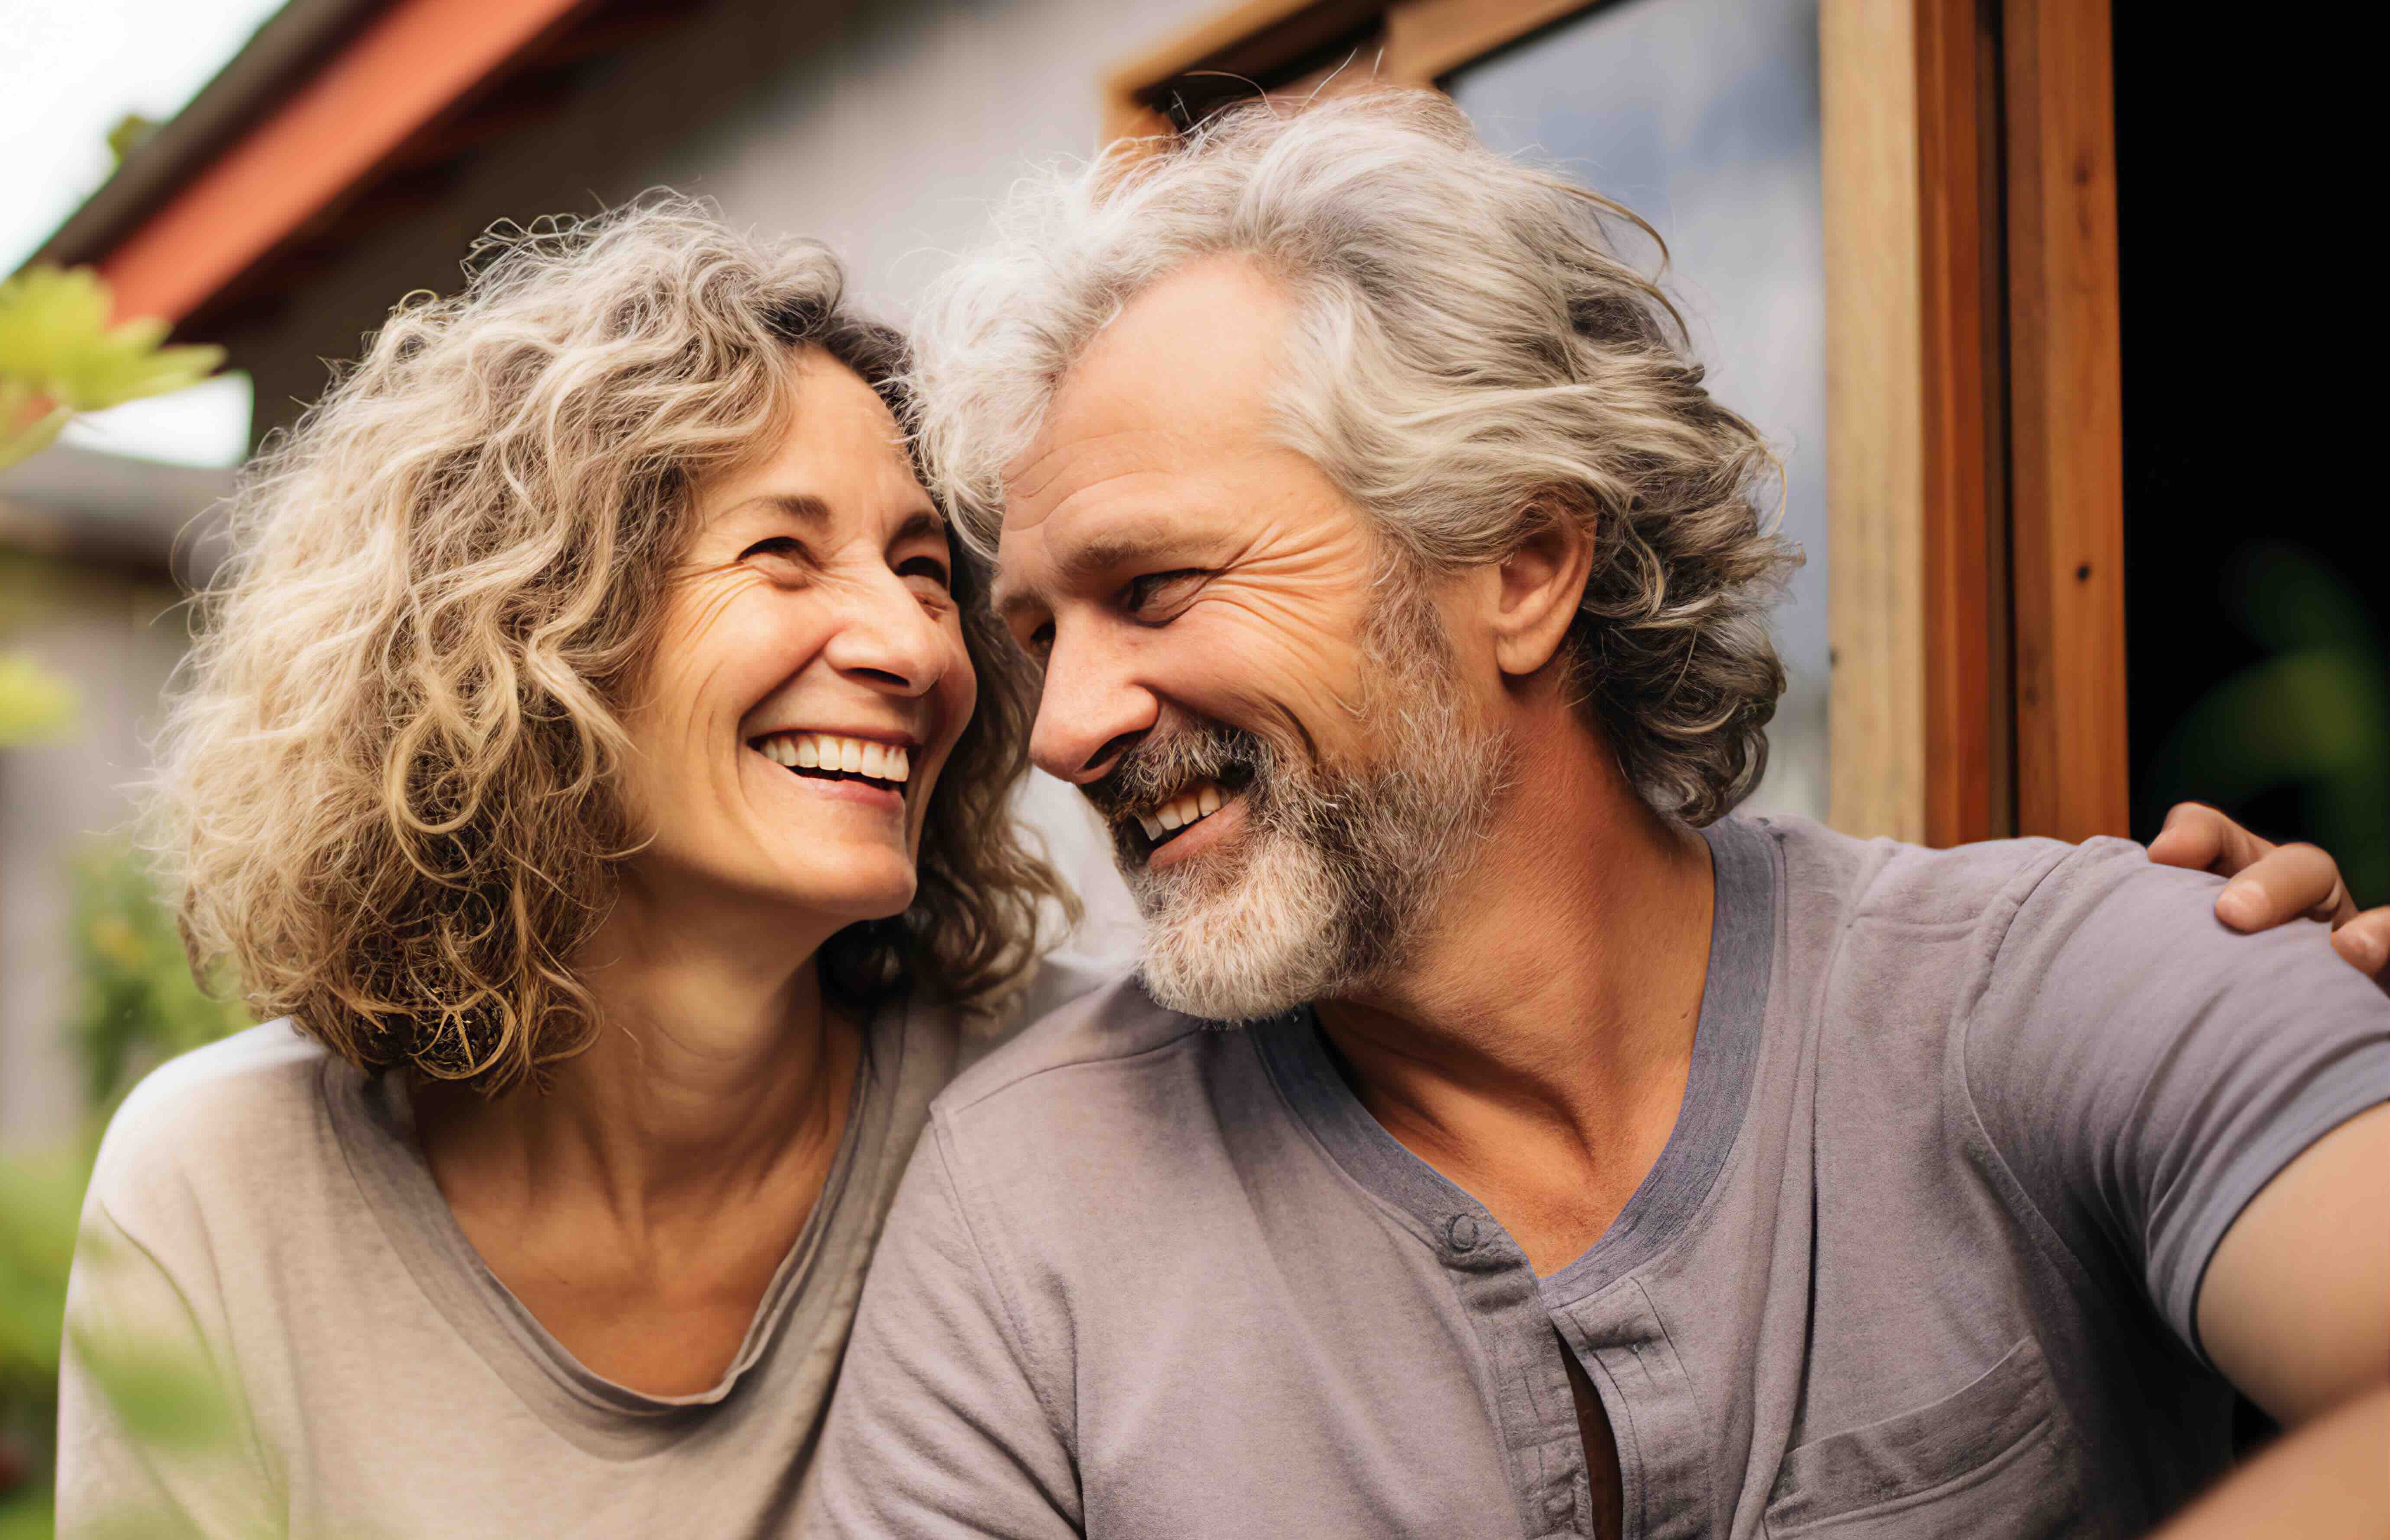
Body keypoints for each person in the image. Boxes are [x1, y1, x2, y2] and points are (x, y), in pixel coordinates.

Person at [811, 90, 2390, 1539]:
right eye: (1037, 639)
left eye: (1155, 587)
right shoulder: (1025, 1225)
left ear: (1521, 566)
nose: (1069, 728)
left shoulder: (2057, 981)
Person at [53, 203, 1087, 1537]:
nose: (914, 646)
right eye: (782, 554)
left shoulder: (1074, 1103)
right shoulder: (225, 1180)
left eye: (926, 569)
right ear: (534, 631)